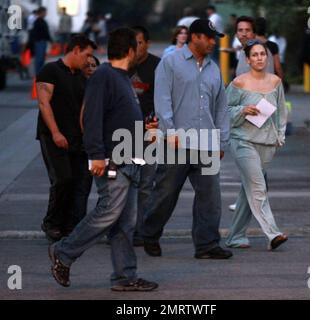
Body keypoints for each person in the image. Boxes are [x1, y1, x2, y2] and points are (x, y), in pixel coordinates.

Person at [48, 27, 158, 292]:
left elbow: (116, 118)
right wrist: (96, 155)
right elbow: (91, 117)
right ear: (131, 50)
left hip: (131, 158)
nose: (141, 51)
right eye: (138, 46)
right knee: (108, 212)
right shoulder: (105, 75)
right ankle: (63, 252)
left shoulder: (121, 77)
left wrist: (144, 129)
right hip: (112, 161)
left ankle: (124, 277)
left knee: (124, 223)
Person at [143, 19, 233, 260]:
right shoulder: (170, 63)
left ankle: (206, 245)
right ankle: (148, 235)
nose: (213, 43)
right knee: (165, 193)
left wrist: (222, 141)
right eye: (209, 38)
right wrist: (170, 132)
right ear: (195, 37)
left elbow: (221, 107)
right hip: (177, 142)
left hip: (206, 143)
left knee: (210, 197)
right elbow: (162, 101)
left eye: (215, 39)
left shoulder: (214, 68)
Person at [225, 39, 288, 250]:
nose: (259, 58)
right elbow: (223, 111)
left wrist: (280, 135)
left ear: (267, 57)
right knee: (258, 187)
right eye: (255, 55)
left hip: (267, 143)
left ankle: (235, 236)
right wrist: (242, 110)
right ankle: (273, 233)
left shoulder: (276, 82)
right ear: (247, 59)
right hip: (242, 140)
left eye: (262, 54)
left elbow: (281, 111)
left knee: (249, 188)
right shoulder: (238, 83)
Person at [36, 35, 97, 242]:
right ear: (76, 50)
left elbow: (84, 109)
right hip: (53, 137)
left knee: (78, 182)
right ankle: (51, 222)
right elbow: (44, 103)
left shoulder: (81, 76)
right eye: (87, 54)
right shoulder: (50, 70)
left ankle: (69, 226)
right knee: (62, 179)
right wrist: (55, 132)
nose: (88, 60)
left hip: (76, 138)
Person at [129, 26, 161, 246]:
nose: (135, 47)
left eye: (139, 42)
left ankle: (141, 229)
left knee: (146, 183)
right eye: (132, 43)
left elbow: (164, 99)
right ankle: (121, 229)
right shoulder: (121, 64)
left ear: (147, 43)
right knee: (124, 183)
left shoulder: (158, 66)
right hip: (123, 136)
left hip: (148, 133)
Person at [31, 7, 52, 74]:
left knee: (41, 59)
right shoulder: (38, 21)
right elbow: (43, 32)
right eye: (45, 12)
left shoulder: (41, 21)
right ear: (41, 12)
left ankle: (40, 73)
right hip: (39, 42)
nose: (46, 13)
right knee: (39, 59)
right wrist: (49, 39)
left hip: (42, 41)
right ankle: (38, 74)